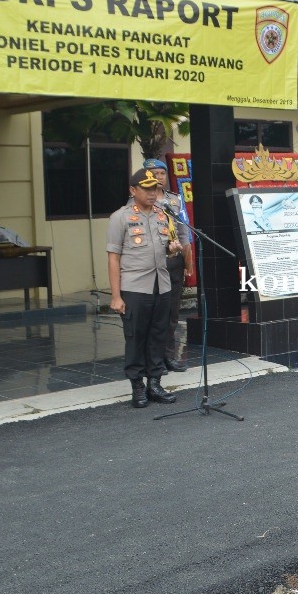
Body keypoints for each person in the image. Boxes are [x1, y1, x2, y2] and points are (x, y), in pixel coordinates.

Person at [108, 169, 180, 408]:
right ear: (133, 190)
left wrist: (174, 248)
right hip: (135, 288)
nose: (152, 193)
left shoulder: (163, 215)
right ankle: (137, 386)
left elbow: (168, 246)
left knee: (158, 336)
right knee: (136, 338)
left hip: (162, 285)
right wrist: (116, 296)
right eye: (146, 189)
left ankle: (155, 384)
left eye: (154, 188)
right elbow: (113, 258)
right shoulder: (120, 217)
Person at [141, 159, 190, 372]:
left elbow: (183, 233)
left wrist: (188, 262)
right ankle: (153, 360)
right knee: (153, 312)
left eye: (161, 173)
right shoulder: (137, 201)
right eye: (153, 173)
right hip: (150, 263)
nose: (158, 177)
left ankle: (168, 356)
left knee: (171, 312)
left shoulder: (175, 200)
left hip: (174, 262)